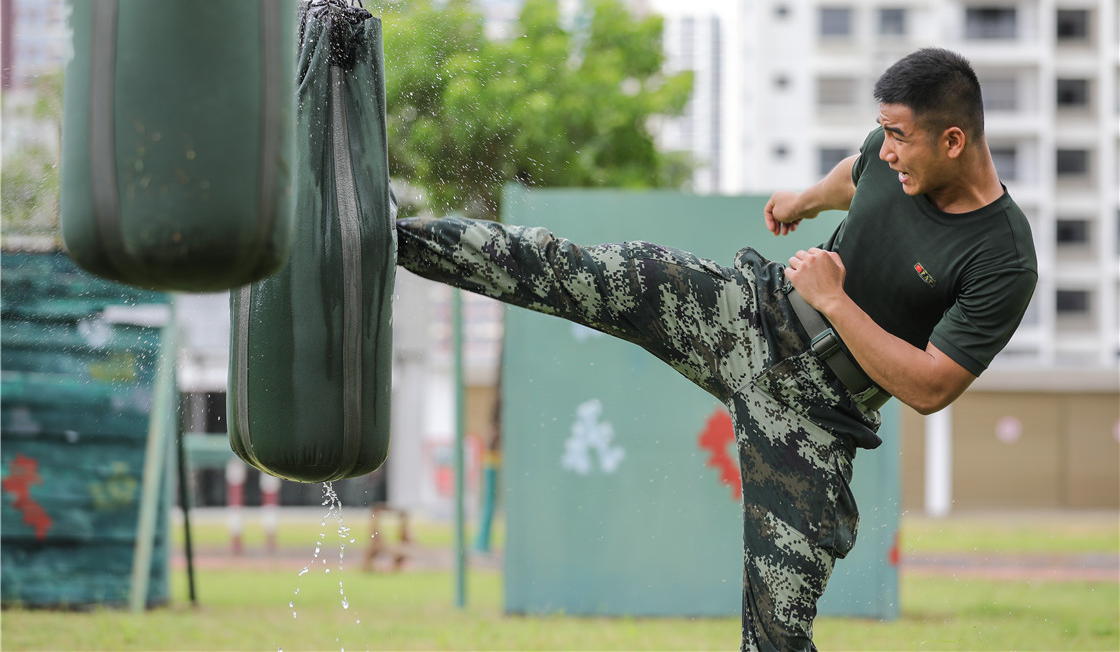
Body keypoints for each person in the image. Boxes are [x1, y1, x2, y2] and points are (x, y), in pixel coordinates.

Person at [394, 47, 1037, 651]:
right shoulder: (885, 156)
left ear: (953, 141)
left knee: (777, 633)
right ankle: (399, 241)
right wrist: (803, 200)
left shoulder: (1003, 259)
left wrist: (836, 301)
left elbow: (930, 386)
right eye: (884, 131)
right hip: (752, 318)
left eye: (901, 136)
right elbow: (858, 172)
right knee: (588, 273)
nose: (889, 149)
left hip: (815, 418)